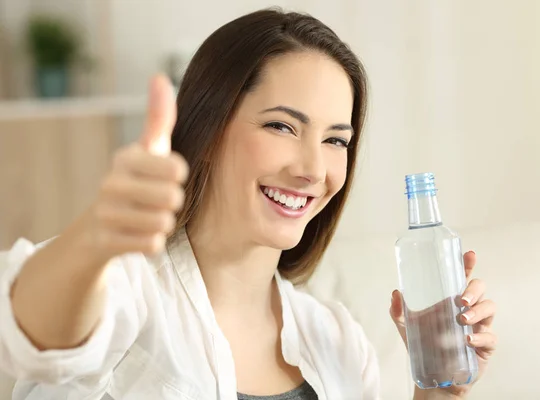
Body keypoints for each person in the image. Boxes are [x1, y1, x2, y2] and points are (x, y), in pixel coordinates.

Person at [0, 8, 497, 400]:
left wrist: (441, 395)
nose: (313, 169)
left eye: (336, 141)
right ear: (208, 126)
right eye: (282, 126)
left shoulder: (338, 341)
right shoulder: (124, 290)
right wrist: (95, 239)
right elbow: (32, 338)